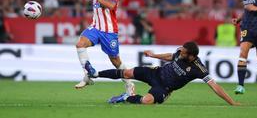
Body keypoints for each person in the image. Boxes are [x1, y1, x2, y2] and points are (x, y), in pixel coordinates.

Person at [85, 41, 240, 105]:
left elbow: (215, 86)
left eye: (184, 53)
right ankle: (96, 74)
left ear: (192, 56)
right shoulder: (181, 51)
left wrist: (232, 103)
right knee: (126, 72)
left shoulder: (199, 68)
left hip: (164, 88)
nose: (181, 53)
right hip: (156, 73)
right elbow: (170, 56)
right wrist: (153, 55)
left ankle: (126, 98)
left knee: (146, 101)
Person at [71, 0, 135, 95]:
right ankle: (87, 76)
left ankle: (129, 84)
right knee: (80, 44)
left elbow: (111, 5)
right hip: (95, 27)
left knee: (115, 60)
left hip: (109, 31)